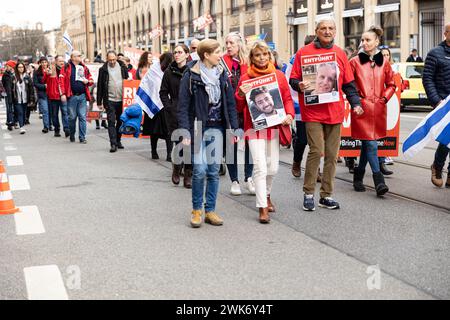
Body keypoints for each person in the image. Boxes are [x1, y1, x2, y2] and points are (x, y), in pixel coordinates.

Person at [290, 18, 362, 211]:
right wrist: (299, 85)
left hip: (334, 111)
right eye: (323, 28)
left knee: (332, 155)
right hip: (312, 111)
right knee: (316, 150)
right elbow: (293, 79)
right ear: (316, 31)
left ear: (335, 31)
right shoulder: (303, 53)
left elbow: (348, 83)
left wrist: (355, 103)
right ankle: (308, 193)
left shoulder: (339, 53)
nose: (327, 31)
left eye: (331, 28)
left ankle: (326, 195)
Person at [178, 39, 240, 228]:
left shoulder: (222, 74)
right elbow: (183, 107)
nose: (221, 54)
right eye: (217, 51)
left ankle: (210, 210)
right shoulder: (191, 75)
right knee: (199, 170)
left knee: (213, 171)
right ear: (206, 55)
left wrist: (234, 128)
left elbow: (230, 104)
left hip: (218, 128)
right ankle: (197, 210)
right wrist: (185, 132)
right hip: (198, 127)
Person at [236, 40, 295, 223]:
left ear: (269, 55)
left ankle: (267, 195)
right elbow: (238, 106)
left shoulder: (278, 75)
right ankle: (262, 207)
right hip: (254, 128)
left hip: (274, 126)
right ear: (251, 58)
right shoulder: (246, 78)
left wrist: (290, 115)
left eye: (264, 54)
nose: (262, 58)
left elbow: (286, 99)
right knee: (260, 167)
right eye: (257, 55)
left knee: (273, 168)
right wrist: (240, 93)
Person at [349, 26, 396, 197]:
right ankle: (379, 181)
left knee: (367, 143)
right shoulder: (354, 62)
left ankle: (358, 175)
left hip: (378, 109)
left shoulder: (384, 62)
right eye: (362, 40)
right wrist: (356, 102)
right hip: (361, 109)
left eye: (368, 40)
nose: (364, 43)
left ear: (377, 42)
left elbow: (392, 84)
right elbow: (348, 85)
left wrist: (384, 98)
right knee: (371, 143)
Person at [221, 31, 255, 196]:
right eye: (226, 43)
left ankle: (249, 177)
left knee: (250, 144)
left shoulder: (249, 62)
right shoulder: (221, 63)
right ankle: (234, 180)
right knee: (231, 145)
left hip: (248, 109)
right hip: (229, 110)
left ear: (239, 44)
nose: (228, 46)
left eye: (231, 43)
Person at [160, 44, 192, 188]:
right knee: (179, 142)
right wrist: (169, 106)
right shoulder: (169, 71)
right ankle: (176, 169)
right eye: (175, 53)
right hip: (174, 111)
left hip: (190, 111)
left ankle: (188, 175)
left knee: (190, 143)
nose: (177, 55)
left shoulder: (192, 70)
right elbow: (163, 92)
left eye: (180, 52)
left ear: (187, 54)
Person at [423, 22, 450, 188]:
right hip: (443, 102)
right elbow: (427, 79)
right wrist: (437, 100)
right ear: (446, 33)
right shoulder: (435, 53)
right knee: (447, 139)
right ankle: (437, 167)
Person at [96, 50, 129, 152]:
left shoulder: (122, 67)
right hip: (109, 99)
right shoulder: (103, 69)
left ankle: (118, 140)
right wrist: (99, 102)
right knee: (111, 122)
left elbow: (128, 80)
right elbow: (100, 86)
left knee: (120, 121)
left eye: (114, 59)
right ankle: (113, 144)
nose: (112, 62)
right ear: (107, 59)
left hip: (121, 99)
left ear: (116, 58)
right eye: (110, 60)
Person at [142, 52, 173, 161]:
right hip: (154, 103)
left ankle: (169, 153)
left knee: (168, 130)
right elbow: (146, 84)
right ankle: (154, 151)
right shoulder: (153, 70)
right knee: (154, 130)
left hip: (165, 105)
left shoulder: (170, 70)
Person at [61, 50, 94, 143]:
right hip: (72, 96)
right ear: (73, 57)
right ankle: (72, 134)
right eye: (78, 55)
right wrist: (62, 93)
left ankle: (82, 137)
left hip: (82, 96)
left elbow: (91, 79)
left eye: (80, 55)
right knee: (72, 117)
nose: (80, 57)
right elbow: (61, 81)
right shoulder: (66, 67)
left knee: (82, 117)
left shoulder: (84, 67)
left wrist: (88, 81)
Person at [43, 55, 70, 137]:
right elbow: (44, 81)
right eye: (60, 61)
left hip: (63, 95)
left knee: (65, 112)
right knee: (54, 114)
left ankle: (66, 128)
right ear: (55, 62)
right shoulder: (51, 69)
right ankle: (57, 129)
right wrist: (47, 74)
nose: (62, 62)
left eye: (63, 61)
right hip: (53, 96)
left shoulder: (66, 69)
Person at [12, 62, 35, 134]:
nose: (21, 68)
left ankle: (22, 124)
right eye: (19, 67)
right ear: (17, 68)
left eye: (22, 67)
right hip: (17, 99)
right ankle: (21, 127)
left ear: (24, 68)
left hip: (25, 98)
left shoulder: (27, 76)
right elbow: (11, 88)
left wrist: (31, 99)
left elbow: (31, 88)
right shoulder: (14, 77)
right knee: (20, 112)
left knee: (24, 113)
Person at [33, 56, 52, 133]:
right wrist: (44, 86)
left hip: (51, 93)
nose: (44, 64)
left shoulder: (51, 70)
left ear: (47, 63)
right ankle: (46, 127)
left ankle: (50, 125)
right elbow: (35, 83)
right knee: (45, 110)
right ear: (40, 63)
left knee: (51, 110)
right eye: (42, 62)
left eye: (45, 62)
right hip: (42, 94)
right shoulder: (37, 72)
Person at [1, 60, 17, 131]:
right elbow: (4, 84)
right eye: (6, 66)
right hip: (8, 94)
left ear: (11, 67)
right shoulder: (5, 75)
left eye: (8, 66)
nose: (6, 67)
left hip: (15, 94)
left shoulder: (15, 75)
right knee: (9, 109)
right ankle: (9, 122)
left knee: (15, 109)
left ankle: (14, 121)